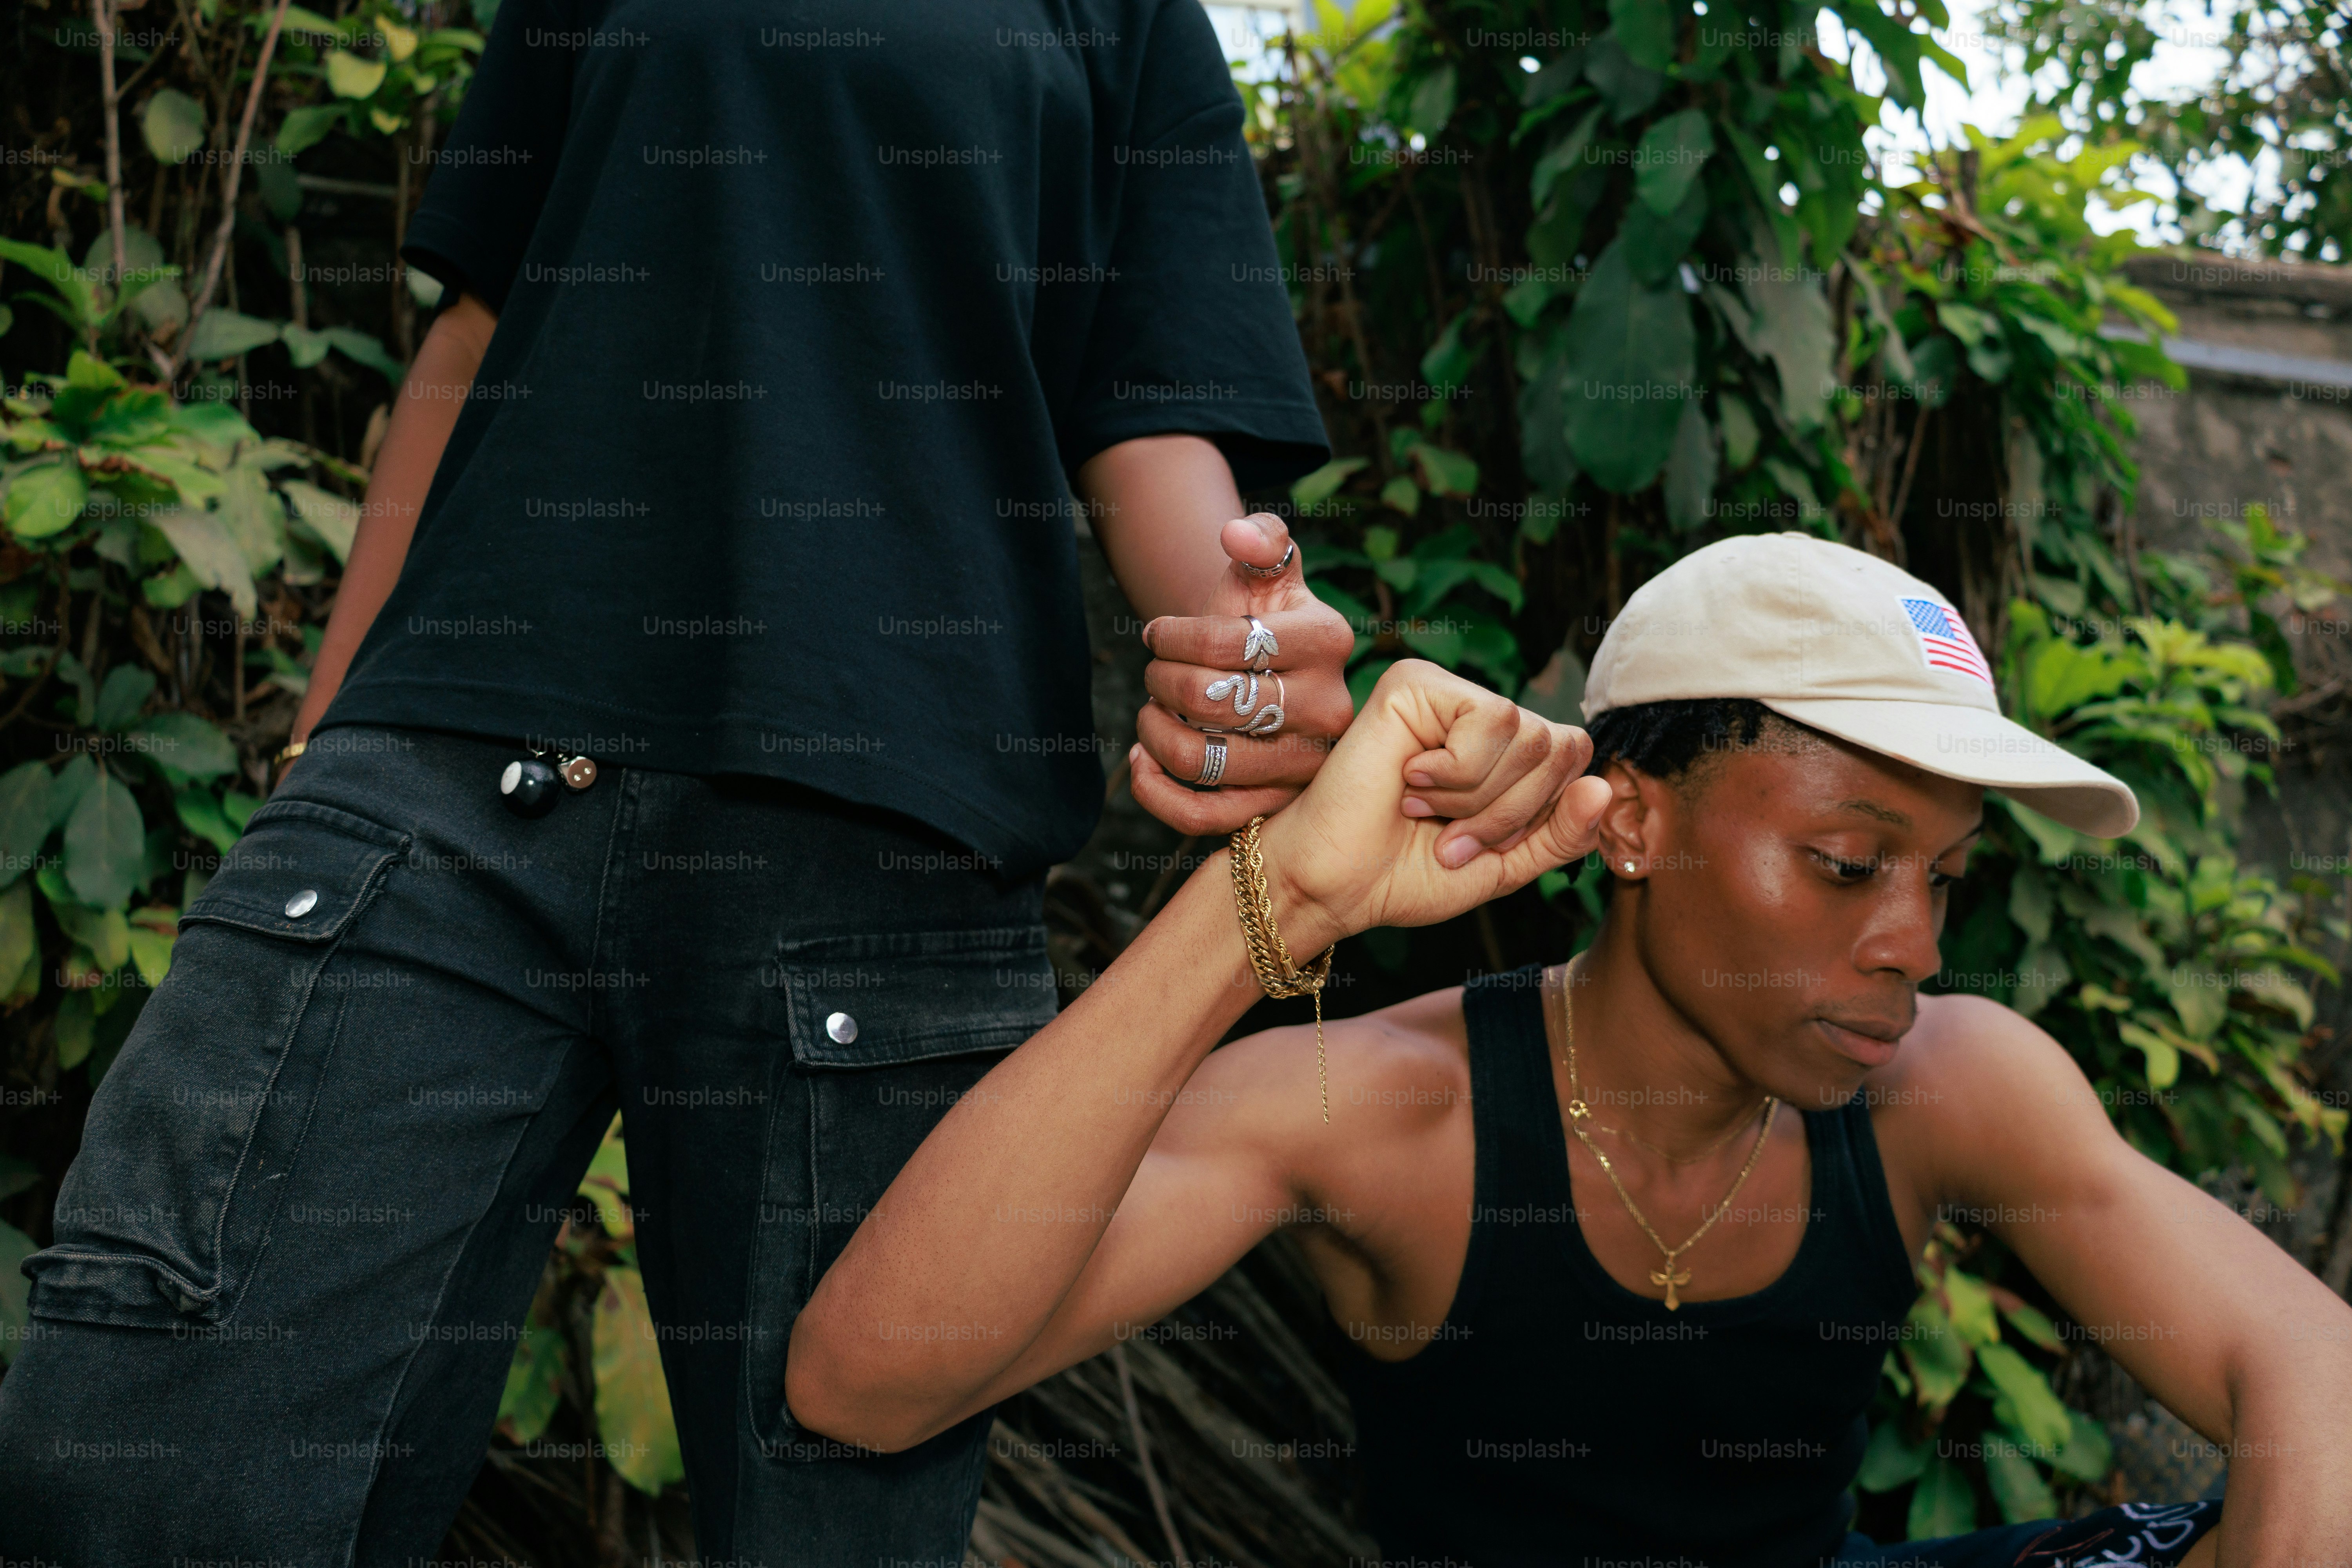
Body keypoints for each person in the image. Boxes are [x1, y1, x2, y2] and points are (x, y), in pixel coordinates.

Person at [0, 5, 1558, 1563]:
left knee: (835, 1511)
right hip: (450, 773)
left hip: (888, 839)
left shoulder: (1123, 18)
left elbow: (1151, 414)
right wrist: (315, 754)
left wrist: (1246, 654)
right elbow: (475, 331)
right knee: (139, 1471)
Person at [783, 534, 2352, 1568]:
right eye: (1848, 861)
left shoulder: (1951, 1081)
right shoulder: (1391, 1116)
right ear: (1639, 824)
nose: (1917, 944)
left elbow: (2311, 1367)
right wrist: (1277, 899)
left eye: (1946, 877)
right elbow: (867, 1382)